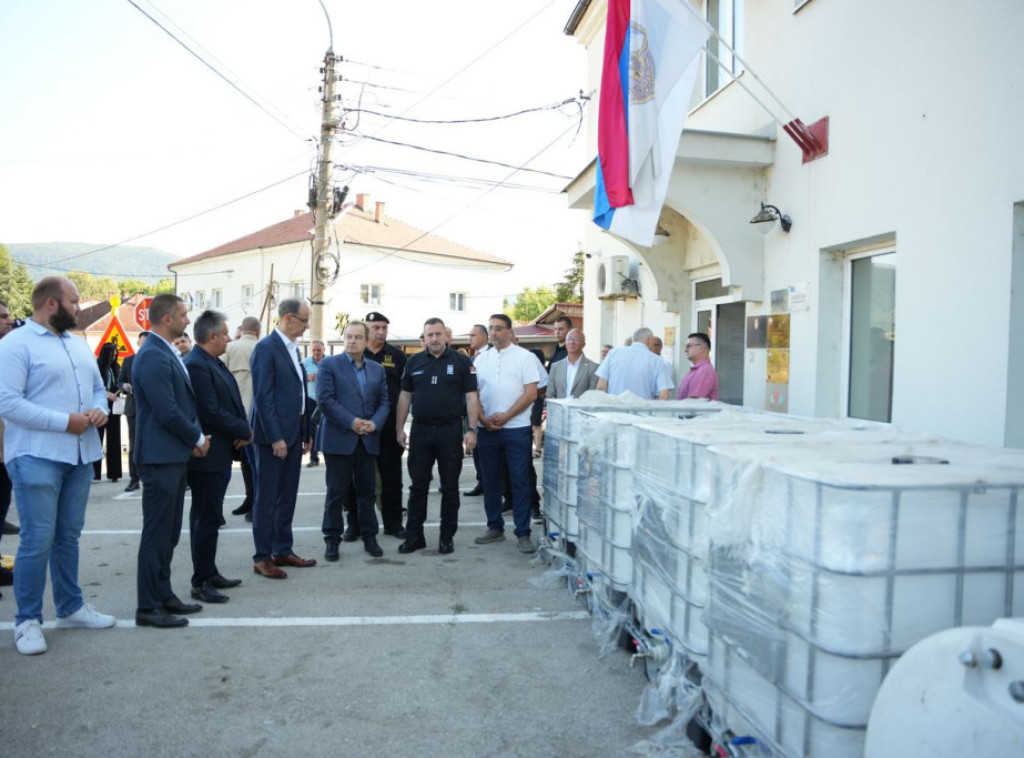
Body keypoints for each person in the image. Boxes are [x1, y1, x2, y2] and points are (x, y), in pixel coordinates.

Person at [0, 277, 116, 654]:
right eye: (74, 301)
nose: (79, 307)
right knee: (37, 540)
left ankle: (70, 607)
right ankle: (27, 621)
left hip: (79, 456)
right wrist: (65, 422)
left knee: (68, 536)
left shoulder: (77, 344)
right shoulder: (15, 344)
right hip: (36, 455)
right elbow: (7, 403)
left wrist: (99, 408)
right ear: (52, 303)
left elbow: (97, 388)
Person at [132, 293, 210, 628]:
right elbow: (166, 410)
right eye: (183, 315)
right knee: (157, 534)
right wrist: (197, 438)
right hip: (159, 457)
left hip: (171, 455)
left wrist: (193, 437)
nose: (187, 320)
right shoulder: (152, 354)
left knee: (169, 534)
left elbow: (182, 404)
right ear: (167, 319)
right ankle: (148, 607)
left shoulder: (165, 351)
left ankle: (164, 596)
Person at [395, 317, 479, 555]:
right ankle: (414, 537)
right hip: (420, 431)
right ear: (424, 337)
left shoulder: (461, 361)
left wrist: (471, 429)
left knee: (450, 487)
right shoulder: (414, 362)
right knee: (418, 486)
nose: (434, 339)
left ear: (446, 336)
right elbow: (405, 396)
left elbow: (471, 396)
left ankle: (446, 537)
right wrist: (399, 428)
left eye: (438, 334)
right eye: (429, 335)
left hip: (450, 430)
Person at [184, 310, 251, 603]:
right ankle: (200, 582)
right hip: (207, 456)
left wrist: (241, 428)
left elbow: (228, 402)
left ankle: (209, 572)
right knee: (206, 519)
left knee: (209, 517)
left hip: (219, 452)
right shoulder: (197, 365)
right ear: (212, 337)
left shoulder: (212, 361)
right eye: (224, 334)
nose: (228, 338)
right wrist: (244, 429)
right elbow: (209, 411)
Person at [249, 298, 315, 579]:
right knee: (267, 499)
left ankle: (282, 549)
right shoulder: (266, 348)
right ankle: (262, 556)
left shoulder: (293, 348)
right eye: (304, 320)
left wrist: (305, 431)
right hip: (272, 438)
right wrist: (275, 437)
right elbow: (263, 397)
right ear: (288, 318)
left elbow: (298, 393)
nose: (307, 326)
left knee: (287, 496)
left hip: (293, 434)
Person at [318, 322, 391, 560]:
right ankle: (332, 540)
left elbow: (384, 402)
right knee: (336, 494)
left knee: (367, 493)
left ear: (366, 341)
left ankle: (370, 537)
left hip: (367, 440)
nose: (352, 341)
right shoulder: (329, 364)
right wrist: (352, 422)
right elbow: (325, 400)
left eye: (358, 337)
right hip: (339, 439)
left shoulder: (377, 369)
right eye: (348, 336)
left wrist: (375, 423)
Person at [473, 313, 540, 554]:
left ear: (510, 331)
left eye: (498, 328)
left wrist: (507, 416)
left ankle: (523, 533)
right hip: (487, 430)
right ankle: (494, 527)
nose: (493, 332)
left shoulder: (525, 357)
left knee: (519, 481)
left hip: (516, 429)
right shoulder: (481, 359)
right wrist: (483, 420)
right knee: (490, 481)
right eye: (490, 327)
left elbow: (531, 394)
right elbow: (473, 394)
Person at [342, 311, 407, 541]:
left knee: (392, 479)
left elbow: (405, 394)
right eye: (376, 327)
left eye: (384, 328)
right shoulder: (353, 354)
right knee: (354, 481)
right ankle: (355, 525)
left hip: (387, 429)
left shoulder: (397, 356)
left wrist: (400, 427)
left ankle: (393, 524)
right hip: (358, 429)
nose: (381, 332)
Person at [222, 316, 260, 520]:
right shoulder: (263, 348)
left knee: (246, 462)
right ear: (258, 331)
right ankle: (253, 501)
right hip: (258, 413)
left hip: (236, 412)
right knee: (254, 462)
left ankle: (252, 501)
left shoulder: (231, 348)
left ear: (242, 330)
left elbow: (219, 374)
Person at [596, 327, 674, 400]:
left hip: (614, 408)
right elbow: (664, 395)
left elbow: (601, 387)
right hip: (643, 409)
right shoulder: (657, 361)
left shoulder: (613, 354)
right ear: (649, 340)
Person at [119, 331, 149, 492]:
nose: (144, 345)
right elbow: (120, 381)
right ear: (138, 343)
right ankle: (134, 479)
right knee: (134, 444)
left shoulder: (156, 361)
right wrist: (124, 386)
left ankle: (150, 476)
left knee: (151, 443)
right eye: (142, 342)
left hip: (152, 409)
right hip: (133, 408)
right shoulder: (129, 360)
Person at [463, 323, 490, 498]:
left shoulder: (492, 355)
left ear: (484, 337)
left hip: (487, 411)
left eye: (473, 335)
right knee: (477, 450)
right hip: (473, 412)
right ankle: (482, 481)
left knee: (488, 453)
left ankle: (491, 485)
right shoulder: (473, 358)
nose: (469, 339)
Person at [0, 299, 18, 546]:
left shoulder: (7, 353)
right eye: (3, 316)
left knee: (3, 503)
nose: (10, 321)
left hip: (7, 450)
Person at [93, 341, 123, 483]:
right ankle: (95, 473)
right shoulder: (97, 367)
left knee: (114, 439)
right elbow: (93, 386)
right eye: (111, 354)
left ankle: (114, 473)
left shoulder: (116, 367)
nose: (113, 357)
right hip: (99, 406)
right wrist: (106, 394)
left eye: (115, 355)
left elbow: (120, 382)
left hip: (114, 406)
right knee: (97, 439)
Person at [548, 329, 600, 399]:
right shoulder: (556, 367)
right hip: (559, 406)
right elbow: (550, 394)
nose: (572, 342)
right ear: (566, 342)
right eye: (569, 339)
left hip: (581, 406)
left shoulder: (593, 367)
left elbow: (592, 396)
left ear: (583, 345)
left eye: (576, 339)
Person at [676, 332, 720, 400]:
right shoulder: (698, 370)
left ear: (701, 348)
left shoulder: (704, 370)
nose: (685, 350)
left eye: (689, 346)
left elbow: (694, 402)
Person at [303, 340, 325, 467]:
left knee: (326, 428)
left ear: (323, 351)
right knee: (312, 429)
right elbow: (298, 378)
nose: (316, 352)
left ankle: (329, 456)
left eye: (319, 350)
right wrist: (308, 377)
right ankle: (314, 457)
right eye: (314, 350)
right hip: (311, 400)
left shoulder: (329, 362)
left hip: (325, 400)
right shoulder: (306, 362)